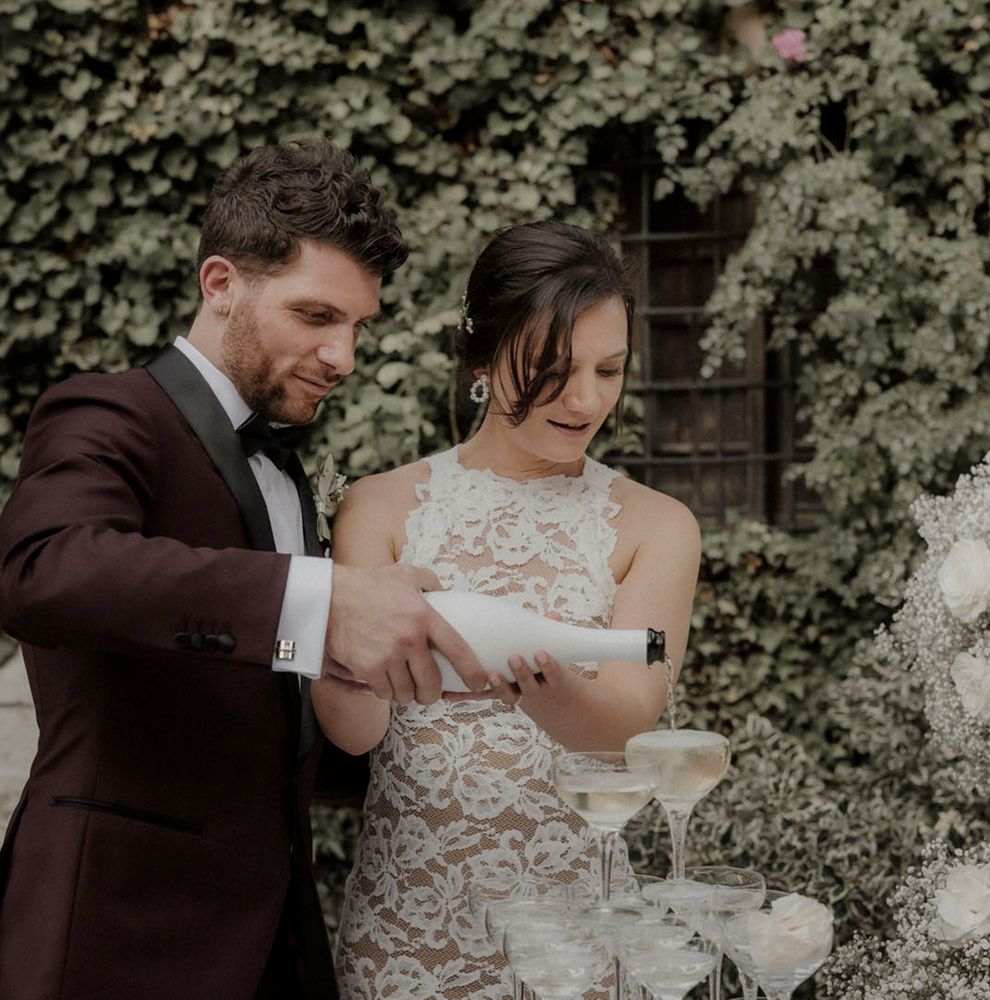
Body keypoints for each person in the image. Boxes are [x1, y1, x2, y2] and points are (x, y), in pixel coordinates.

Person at [0, 138, 486, 1000]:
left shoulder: (286, 474)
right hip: (114, 938)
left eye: (357, 326)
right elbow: (42, 569)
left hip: (272, 939)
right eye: (315, 317)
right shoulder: (108, 412)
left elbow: (260, 720)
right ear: (220, 285)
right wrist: (324, 599)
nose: (344, 357)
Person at [315, 220, 702, 998]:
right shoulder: (379, 508)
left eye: (610, 369)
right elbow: (353, 732)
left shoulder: (657, 525)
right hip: (410, 929)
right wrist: (354, 669)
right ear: (485, 357)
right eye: (554, 369)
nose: (587, 398)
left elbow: (630, 721)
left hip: (577, 935)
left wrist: (550, 691)